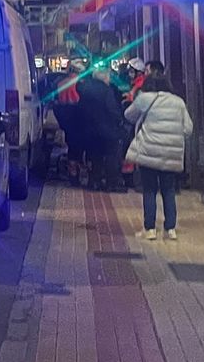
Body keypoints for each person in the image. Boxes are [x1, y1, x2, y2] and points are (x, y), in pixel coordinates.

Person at [125, 71, 195, 240]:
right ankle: (170, 228)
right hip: (171, 153)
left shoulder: (144, 99)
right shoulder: (178, 102)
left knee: (149, 190)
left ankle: (150, 229)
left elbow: (128, 115)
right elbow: (188, 129)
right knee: (168, 190)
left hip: (149, 150)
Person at [77, 63, 127, 191]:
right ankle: (111, 183)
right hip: (106, 128)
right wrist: (119, 119)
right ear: (104, 77)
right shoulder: (106, 90)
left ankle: (94, 181)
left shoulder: (84, 88)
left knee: (95, 156)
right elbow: (111, 109)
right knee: (111, 154)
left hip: (89, 128)